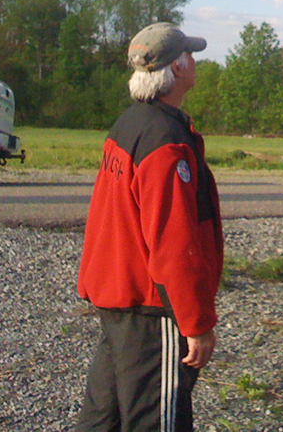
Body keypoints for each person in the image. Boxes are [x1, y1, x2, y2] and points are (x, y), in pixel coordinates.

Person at [76, 22, 224, 432]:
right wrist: (195, 323)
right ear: (176, 68)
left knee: (104, 415)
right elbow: (173, 243)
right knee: (157, 420)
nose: (195, 62)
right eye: (190, 56)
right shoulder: (165, 140)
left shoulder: (129, 124)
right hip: (150, 307)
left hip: (117, 297)